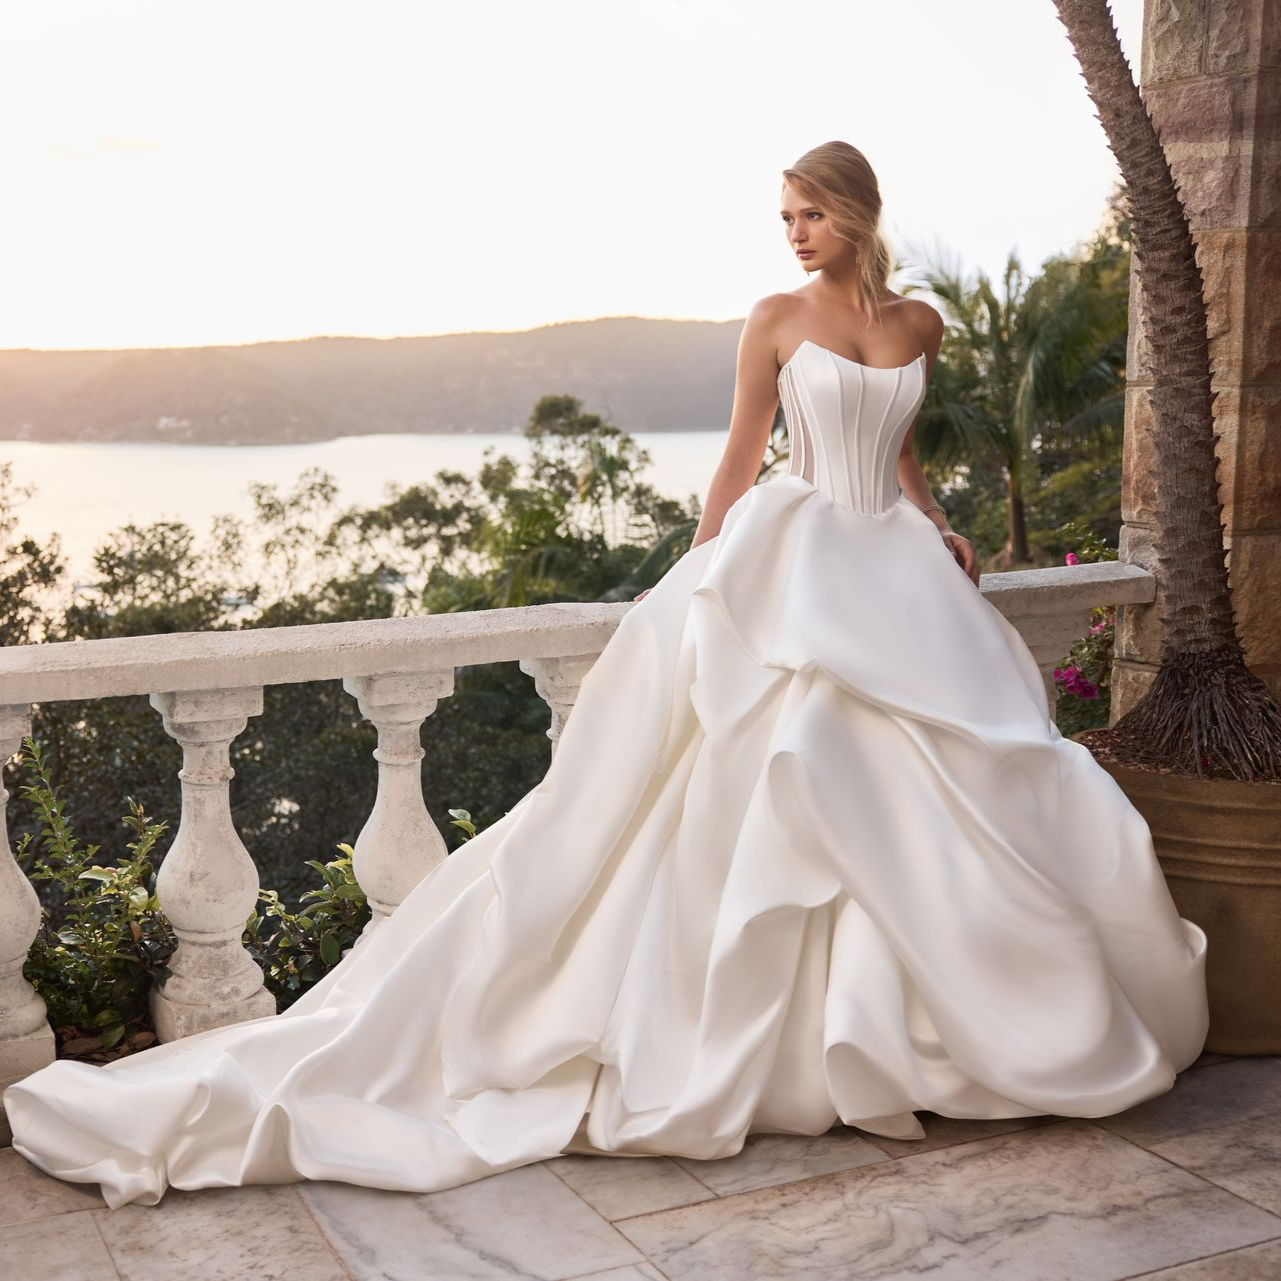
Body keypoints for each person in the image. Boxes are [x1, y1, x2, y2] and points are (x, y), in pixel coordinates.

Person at [3, 140, 1209, 1211]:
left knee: (932, 782)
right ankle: (795, 1038)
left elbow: (897, 455)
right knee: (785, 775)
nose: (794, 233)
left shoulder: (921, 326)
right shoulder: (774, 320)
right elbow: (741, 458)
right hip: (795, 568)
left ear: (857, 214)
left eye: (809, 214)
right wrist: (694, 586)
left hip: (891, 572)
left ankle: (919, 1035)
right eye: (784, 215)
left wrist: (940, 524)